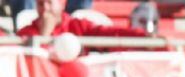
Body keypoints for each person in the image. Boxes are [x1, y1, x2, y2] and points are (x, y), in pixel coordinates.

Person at [16, 0, 150, 37]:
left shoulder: (78, 27)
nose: (45, 8)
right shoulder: (26, 33)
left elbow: (110, 34)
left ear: (62, 3)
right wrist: (43, 35)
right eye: (40, 4)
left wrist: (143, 36)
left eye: (49, 3)